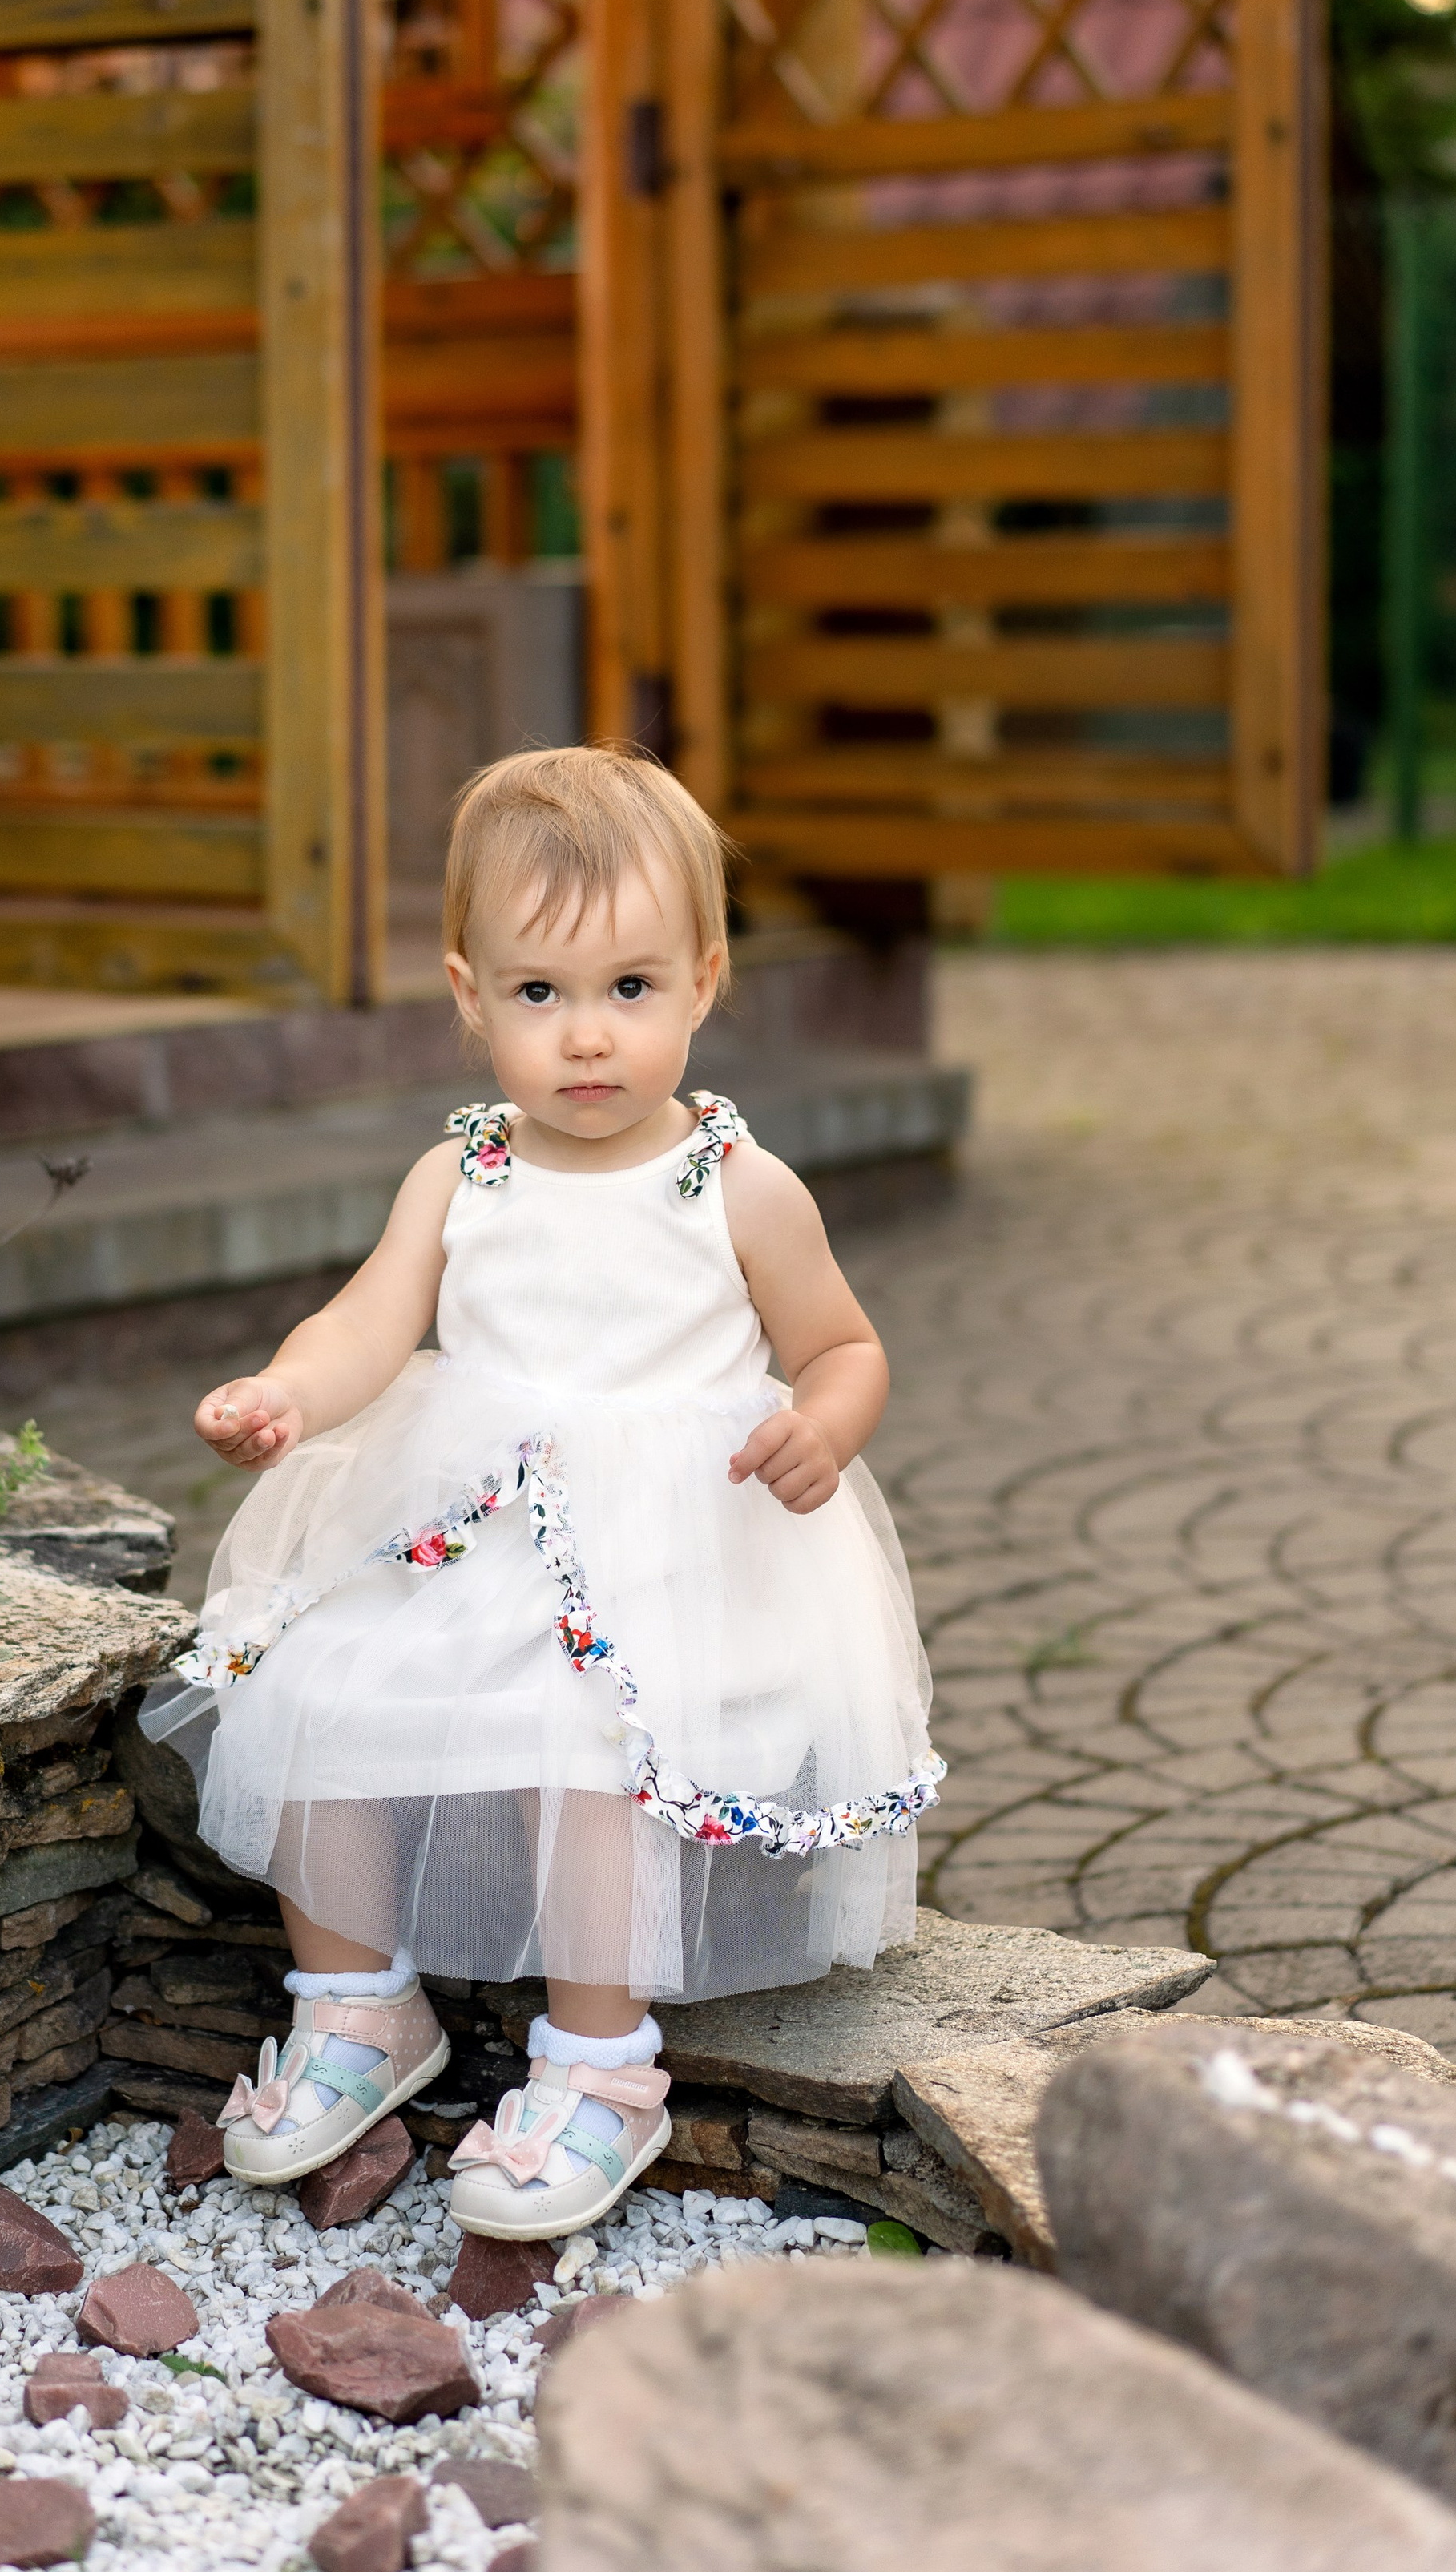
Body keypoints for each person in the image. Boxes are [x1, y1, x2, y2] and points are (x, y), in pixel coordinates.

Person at [139, 745, 940, 2241]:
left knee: (588, 1745)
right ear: (468, 995)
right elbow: (373, 1322)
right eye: (539, 996)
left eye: (630, 990)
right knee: (315, 1683)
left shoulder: (735, 1186)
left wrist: (823, 1427)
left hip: (671, 1563)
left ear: (702, 983)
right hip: (474, 1532)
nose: (587, 1038)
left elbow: (842, 1343)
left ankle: (598, 2065)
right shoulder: (463, 1178)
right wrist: (291, 1394)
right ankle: (359, 2005)